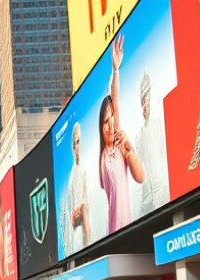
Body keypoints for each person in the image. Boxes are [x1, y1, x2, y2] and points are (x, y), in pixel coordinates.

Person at [98, 35, 145, 234]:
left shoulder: (119, 144)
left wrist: (115, 70)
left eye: (112, 120)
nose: (110, 126)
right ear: (100, 125)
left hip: (127, 228)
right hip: (112, 231)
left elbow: (140, 177)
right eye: (105, 122)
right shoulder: (101, 158)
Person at [135, 71, 169, 217]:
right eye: (142, 101)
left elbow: (164, 153)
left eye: (147, 99)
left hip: (161, 187)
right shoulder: (139, 134)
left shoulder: (158, 122)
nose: (145, 105)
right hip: (148, 193)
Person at [67, 121, 92, 253]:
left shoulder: (84, 168)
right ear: (72, 146)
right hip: (79, 238)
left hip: (84, 238)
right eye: (76, 142)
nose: (78, 146)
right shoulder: (74, 174)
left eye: (79, 141)